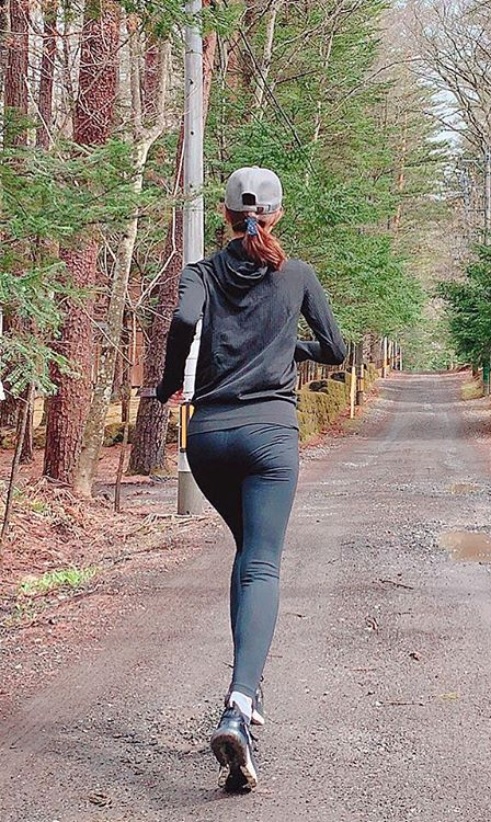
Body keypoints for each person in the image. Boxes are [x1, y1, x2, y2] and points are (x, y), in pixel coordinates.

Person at [155, 166, 346, 792]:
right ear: (276, 213)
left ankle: (245, 713)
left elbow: (183, 323)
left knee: (247, 554)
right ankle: (240, 701)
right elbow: (336, 349)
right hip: (270, 437)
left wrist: (168, 383)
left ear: (227, 215)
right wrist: (288, 349)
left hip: (208, 437)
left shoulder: (201, 272)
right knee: (262, 563)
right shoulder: (297, 275)